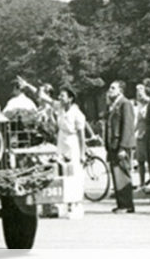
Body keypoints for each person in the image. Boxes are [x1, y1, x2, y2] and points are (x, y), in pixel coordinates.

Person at [54, 85, 86, 219]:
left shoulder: (77, 113)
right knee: (61, 173)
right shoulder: (60, 109)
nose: (60, 98)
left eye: (63, 96)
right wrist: (27, 86)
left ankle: (76, 204)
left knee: (74, 174)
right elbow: (44, 98)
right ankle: (64, 204)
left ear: (70, 98)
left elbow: (81, 135)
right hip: (61, 142)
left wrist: (83, 153)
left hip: (72, 143)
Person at [104, 80, 136, 214]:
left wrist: (123, 147)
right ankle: (121, 203)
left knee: (122, 174)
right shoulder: (113, 104)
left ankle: (127, 204)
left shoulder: (125, 104)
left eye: (113, 88)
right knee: (116, 175)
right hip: (113, 145)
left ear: (120, 90)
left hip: (120, 145)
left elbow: (128, 126)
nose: (110, 90)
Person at [133, 84, 150, 192]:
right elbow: (138, 122)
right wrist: (132, 132)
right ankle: (142, 182)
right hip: (140, 135)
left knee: (149, 160)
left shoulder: (149, 105)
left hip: (148, 135)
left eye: (140, 94)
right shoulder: (139, 106)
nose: (139, 96)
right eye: (137, 94)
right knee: (140, 161)